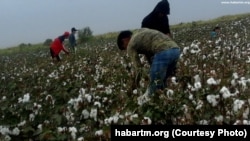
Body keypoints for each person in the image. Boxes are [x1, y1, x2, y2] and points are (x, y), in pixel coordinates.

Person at [117, 28, 181, 96]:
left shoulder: (130, 44)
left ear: (124, 40)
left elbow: (138, 69)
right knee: (164, 82)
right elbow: (150, 55)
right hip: (175, 50)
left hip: (162, 51)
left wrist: (135, 85)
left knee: (153, 86)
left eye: (124, 47)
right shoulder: (141, 33)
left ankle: (149, 101)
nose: (126, 49)